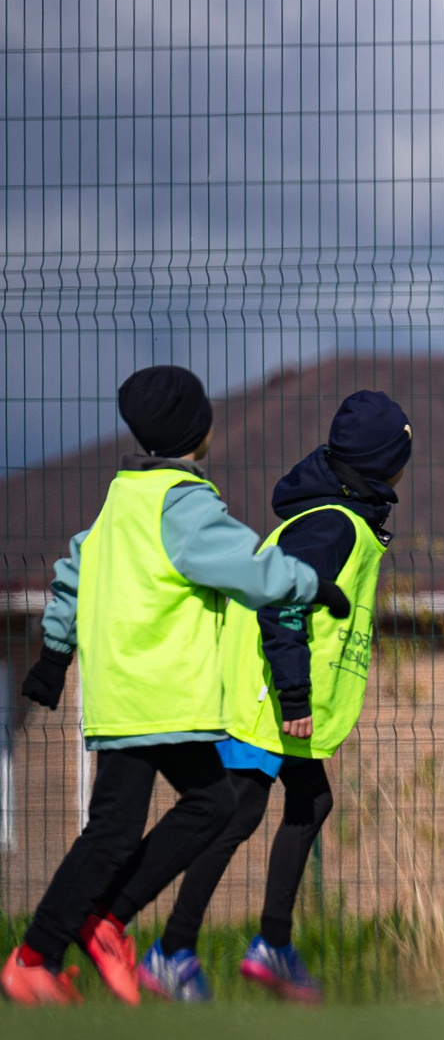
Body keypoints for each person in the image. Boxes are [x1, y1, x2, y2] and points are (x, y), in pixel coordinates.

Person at [5, 366, 332, 1007]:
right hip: (159, 698)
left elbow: (73, 570)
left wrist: (53, 653)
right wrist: (313, 584)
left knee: (167, 816)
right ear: (199, 429)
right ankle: (50, 948)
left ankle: (71, 938)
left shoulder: (120, 500)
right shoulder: (184, 505)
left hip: (121, 697)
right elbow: (251, 567)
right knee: (165, 820)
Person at [101, 391, 412, 1003]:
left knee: (306, 803)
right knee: (234, 811)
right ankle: (166, 945)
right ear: (386, 461)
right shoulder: (333, 525)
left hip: (276, 691)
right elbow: (281, 604)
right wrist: (295, 695)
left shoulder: (338, 517)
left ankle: (263, 943)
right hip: (268, 693)